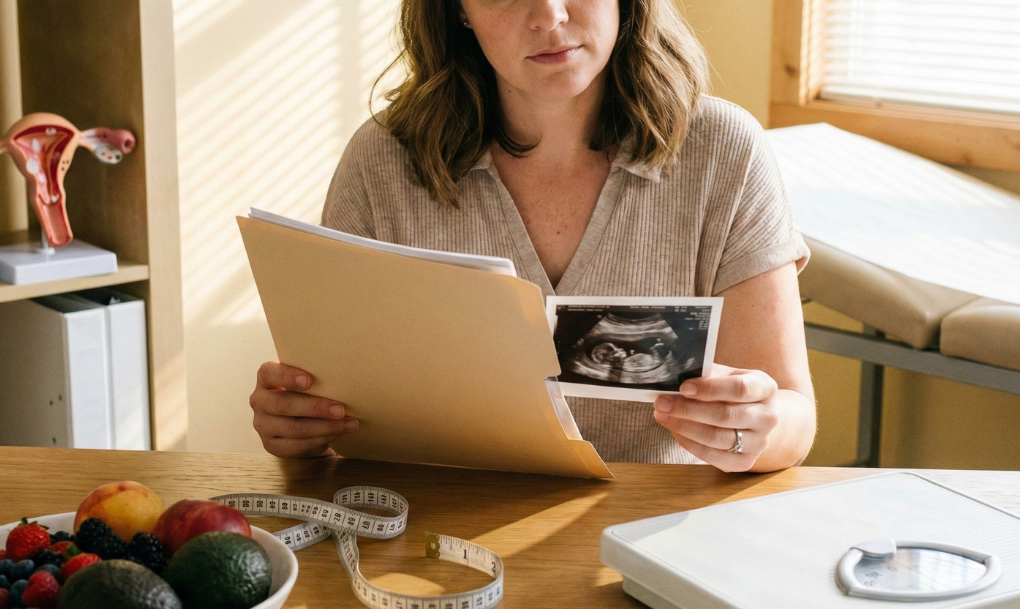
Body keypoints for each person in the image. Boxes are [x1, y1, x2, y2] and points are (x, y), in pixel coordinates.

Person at [249, 0, 816, 472]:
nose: (548, 14)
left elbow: (794, 418)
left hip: (651, 540)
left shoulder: (725, 152)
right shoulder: (381, 161)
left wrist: (755, 428)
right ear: (459, 10)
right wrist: (302, 427)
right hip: (433, 536)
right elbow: (334, 409)